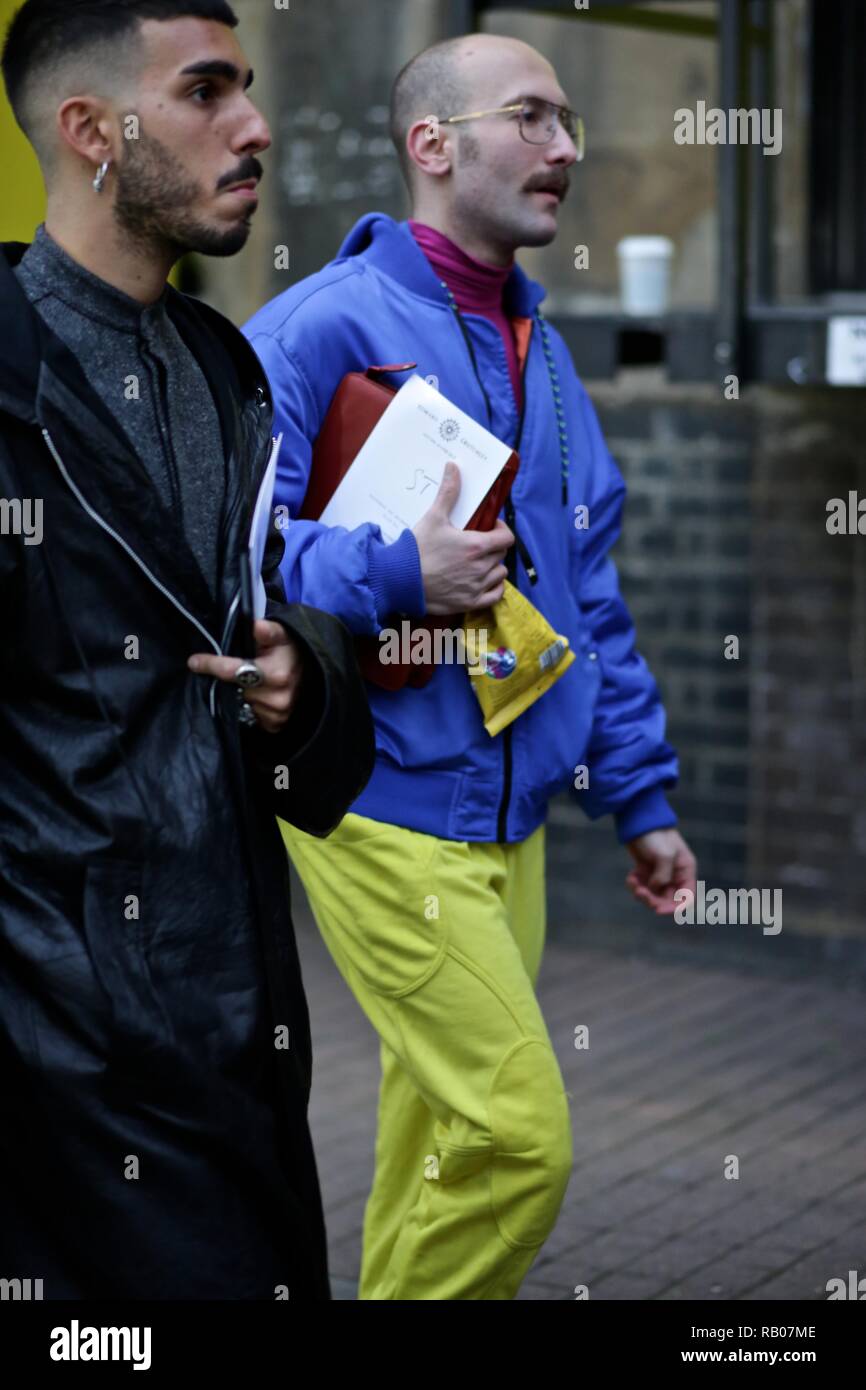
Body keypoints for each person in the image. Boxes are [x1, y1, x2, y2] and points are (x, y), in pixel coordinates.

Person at [243, 33, 698, 1300]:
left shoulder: (547, 359)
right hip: (376, 798)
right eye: (531, 118)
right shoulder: (312, 327)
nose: (565, 149)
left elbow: (586, 605)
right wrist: (397, 572)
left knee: (444, 1136)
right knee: (513, 1137)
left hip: (518, 819)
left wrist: (640, 798)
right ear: (431, 144)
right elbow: (231, 555)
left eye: (567, 123)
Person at [0, 0, 374, 1300]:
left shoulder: (229, 371)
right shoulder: (9, 385)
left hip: (241, 1021)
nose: (255, 126)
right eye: (206, 91)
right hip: (60, 1058)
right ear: (92, 131)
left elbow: (267, 613)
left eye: (248, 87)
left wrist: (301, 686)